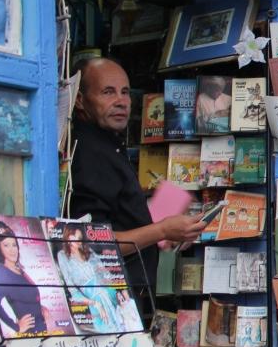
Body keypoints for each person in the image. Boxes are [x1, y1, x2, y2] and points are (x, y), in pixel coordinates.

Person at [68, 58, 206, 310]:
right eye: (107, 92)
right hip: (110, 302)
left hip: (126, 296)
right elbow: (92, 241)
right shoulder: (90, 153)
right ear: (79, 100)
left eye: (124, 92)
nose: (121, 101)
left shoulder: (108, 145)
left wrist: (168, 225)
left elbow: (119, 220)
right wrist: (162, 230)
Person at [0, 221, 49, 337]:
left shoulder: (18, 269)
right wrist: (16, 326)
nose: (12, 250)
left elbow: (24, 298)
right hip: (30, 335)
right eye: (6, 245)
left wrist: (40, 307)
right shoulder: (3, 273)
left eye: (14, 245)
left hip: (41, 331)